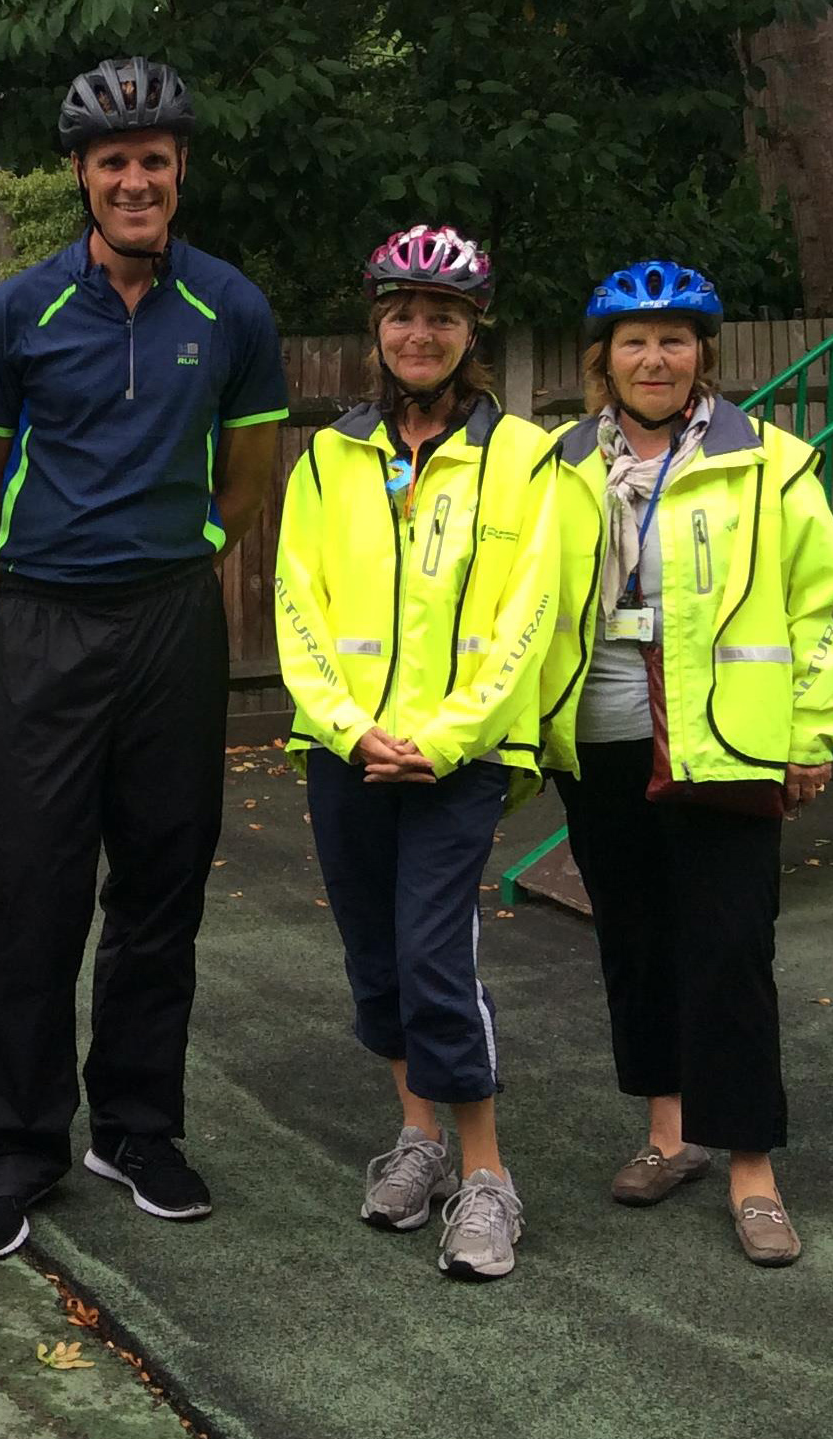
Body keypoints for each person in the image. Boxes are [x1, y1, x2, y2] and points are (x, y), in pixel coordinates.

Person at [0, 58, 288, 1261]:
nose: (134, 178)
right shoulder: (19, 311)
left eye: (153, 158)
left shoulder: (230, 309)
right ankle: (16, 1145)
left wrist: (190, 549)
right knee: (30, 893)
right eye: (112, 161)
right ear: (82, 178)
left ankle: (136, 1126)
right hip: (44, 625)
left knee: (162, 883)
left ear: (179, 168)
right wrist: (48, 562)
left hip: (171, 622)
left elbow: (250, 473)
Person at [538, 260, 833, 1267]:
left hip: (724, 741)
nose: (653, 358)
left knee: (729, 948)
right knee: (633, 942)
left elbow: (829, 605)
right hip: (596, 740)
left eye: (673, 340)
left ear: (701, 357)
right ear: (602, 360)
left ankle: (752, 1171)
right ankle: (667, 1135)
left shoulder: (770, 463)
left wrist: (808, 732)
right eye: (632, 342)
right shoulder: (553, 468)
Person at [273, 225, 556, 1281]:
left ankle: (488, 1178)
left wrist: (442, 739)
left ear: (472, 328)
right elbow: (296, 608)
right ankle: (421, 1141)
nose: (418, 331)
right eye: (400, 313)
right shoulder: (329, 456)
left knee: (436, 958)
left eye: (441, 315)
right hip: (345, 750)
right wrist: (350, 729)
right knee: (376, 960)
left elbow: (530, 611)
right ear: (375, 327)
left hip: (459, 758)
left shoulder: (524, 458)